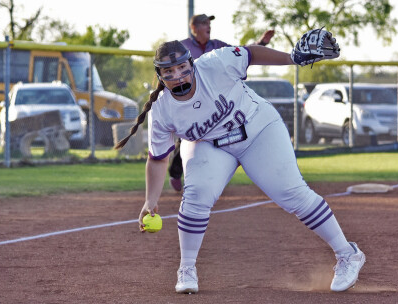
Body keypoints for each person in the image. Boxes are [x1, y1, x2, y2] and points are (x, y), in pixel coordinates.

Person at [115, 38, 365, 294]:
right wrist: (150, 200)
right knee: (196, 195)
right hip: (209, 144)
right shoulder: (161, 107)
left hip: (257, 128)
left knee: (292, 193)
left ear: (192, 64)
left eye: (182, 68)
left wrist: (291, 58)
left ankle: (348, 254)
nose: (178, 76)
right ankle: (187, 268)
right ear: (159, 74)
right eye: (169, 71)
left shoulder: (214, 64)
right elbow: (157, 158)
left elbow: (251, 53)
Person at [167, 14, 275, 192]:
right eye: (204, 23)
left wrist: (261, 43)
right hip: (189, 103)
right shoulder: (182, 47)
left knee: (215, 140)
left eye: (209, 23)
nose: (208, 26)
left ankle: (205, 179)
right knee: (187, 140)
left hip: (215, 105)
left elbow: (241, 53)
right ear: (193, 28)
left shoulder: (217, 46)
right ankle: (176, 171)